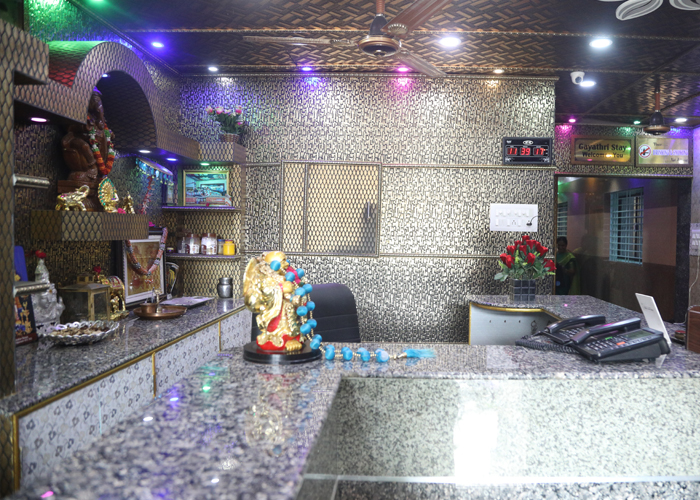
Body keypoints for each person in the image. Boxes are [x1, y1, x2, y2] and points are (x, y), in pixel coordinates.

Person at [61, 88, 113, 181]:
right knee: (84, 146)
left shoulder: (96, 117)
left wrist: (108, 132)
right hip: (75, 139)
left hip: (95, 143)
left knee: (106, 145)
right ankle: (92, 167)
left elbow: (102, 128)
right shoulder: (80, 113)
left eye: (98, 101)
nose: (97, 104)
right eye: (94, 101)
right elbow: (72, 128)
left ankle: (101, 171)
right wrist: (85, 128)